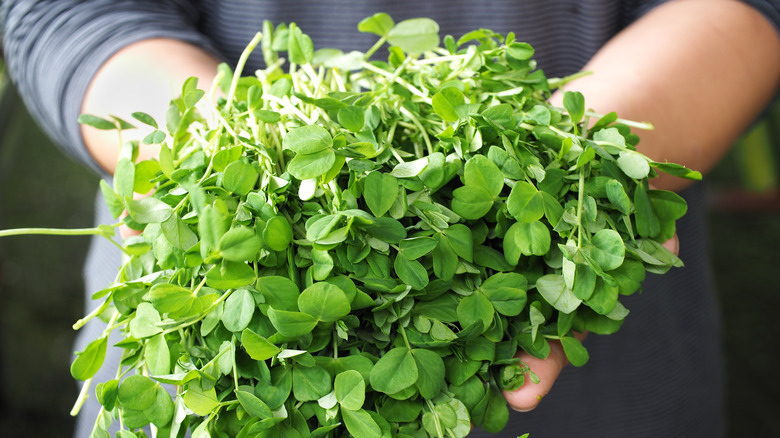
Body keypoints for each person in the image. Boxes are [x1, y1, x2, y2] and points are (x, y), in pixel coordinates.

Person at [2, 1, 779, 437]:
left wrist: (580, 158)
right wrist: (200, 148)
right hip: (209, 304)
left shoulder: (560, 195)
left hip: (600, 351)